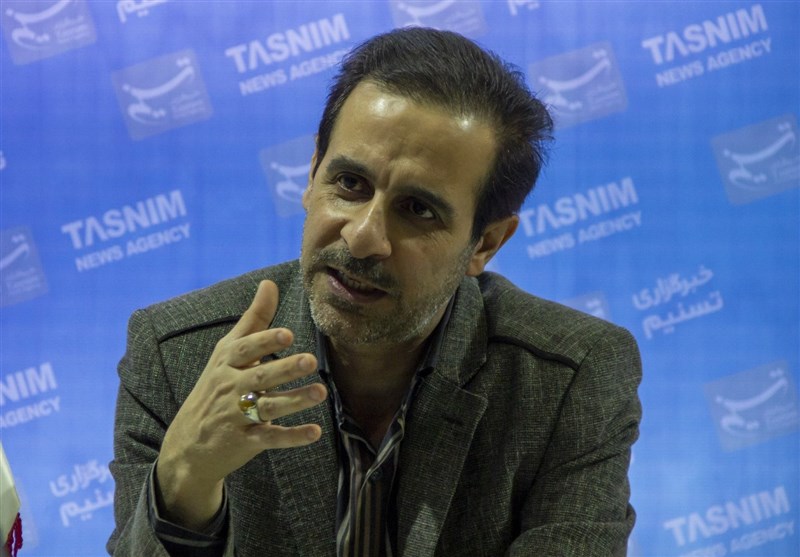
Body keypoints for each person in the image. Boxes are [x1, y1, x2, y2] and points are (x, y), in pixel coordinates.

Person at [108, 27, 642, 557]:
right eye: (349, 184)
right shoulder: (178, 358)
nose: (363, 237)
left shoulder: (568, 380)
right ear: (312, 173)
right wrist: (183, 480)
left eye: (417, 209)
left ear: (485, 243)